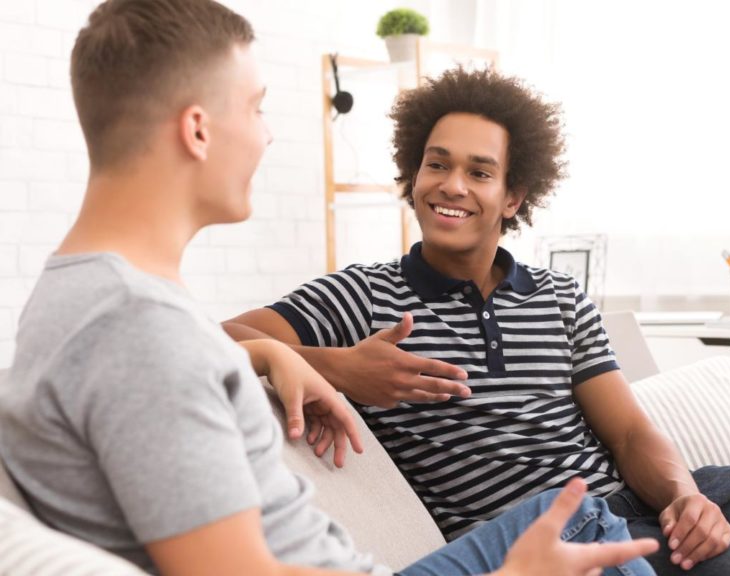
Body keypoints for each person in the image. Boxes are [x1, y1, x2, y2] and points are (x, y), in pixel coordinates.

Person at [0, 1, 659, 575]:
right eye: (257, 108)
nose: (267, 133)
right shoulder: (137, 331)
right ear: (198, 129)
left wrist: (274, 353)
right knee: (579, 519)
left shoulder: (101, 302)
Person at [223, 67, 730, 575]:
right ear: (414, 175)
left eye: (478, 172)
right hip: (551, 536)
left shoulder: (559, 295)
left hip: (634, 504)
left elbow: (628, 433)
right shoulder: (366, 294)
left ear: (512, 197)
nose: (452, 186)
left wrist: (683, 497)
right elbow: (206, 338)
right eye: (437, 165)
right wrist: (338, 367)